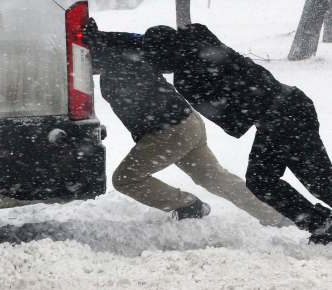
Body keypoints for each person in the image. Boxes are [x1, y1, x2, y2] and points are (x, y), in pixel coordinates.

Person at [84, 19, 290, 225]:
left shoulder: (119, 61)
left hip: (169, 131)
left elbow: (121, 44)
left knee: (126, 179)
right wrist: (98, 35)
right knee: (215, 178)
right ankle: (277, 215)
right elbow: (130, 40)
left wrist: (95, 36)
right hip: (188, 124)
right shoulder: (129, 52)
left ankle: (188, 205)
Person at [142, 23, 332, 244]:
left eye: (155, 60)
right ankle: (321, 224)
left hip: (286, 116)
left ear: (164, 55)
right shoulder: (198, 36)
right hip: (286, 109)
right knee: (262, 181)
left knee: (319, 181)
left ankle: (321, 224)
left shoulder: (186, 80)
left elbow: (234, 123)